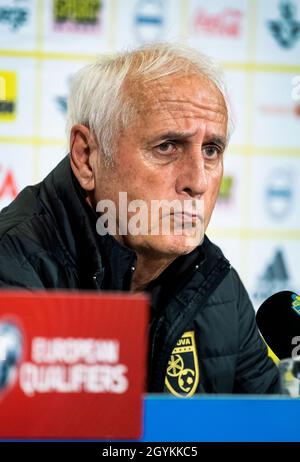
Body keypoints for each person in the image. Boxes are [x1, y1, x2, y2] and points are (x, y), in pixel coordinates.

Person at [0, 43, 279, 395]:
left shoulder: (219, 286)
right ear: (87, 157)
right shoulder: (11, 270)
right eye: (167, 146)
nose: (199, 181)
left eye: (211, 150)